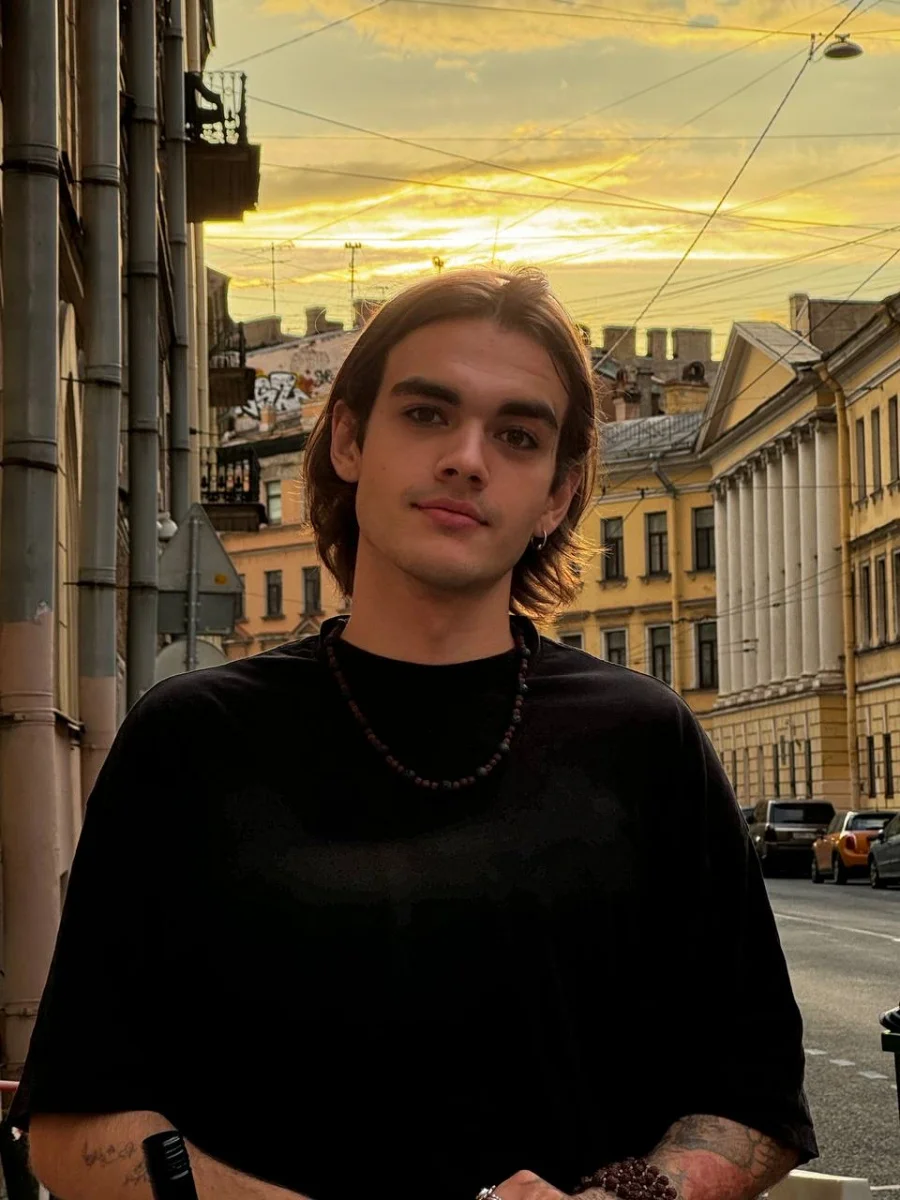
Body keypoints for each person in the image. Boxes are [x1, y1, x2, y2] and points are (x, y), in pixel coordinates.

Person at [11, 268, 816, 1200]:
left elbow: (755, 1101)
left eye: (518, 436)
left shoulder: (646, 742)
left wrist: (624, 1197)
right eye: (427, 414)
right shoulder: (192, 739)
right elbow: (69, 1128)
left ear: (557, 495)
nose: (468, 459)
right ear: (350, 440)